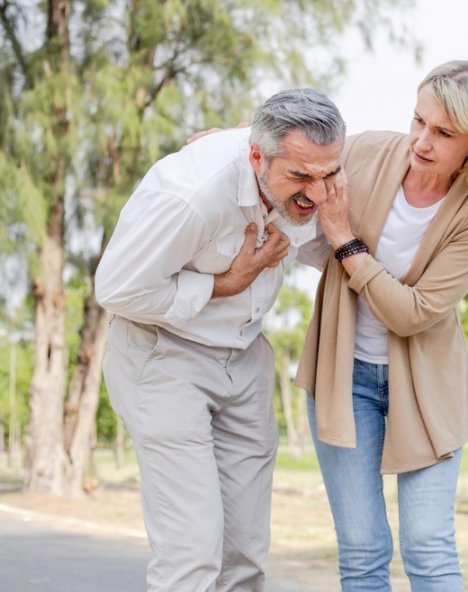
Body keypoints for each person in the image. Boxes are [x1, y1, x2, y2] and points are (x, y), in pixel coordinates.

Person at [95, 88, 346, 592]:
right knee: (191, 554)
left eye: (328, 175)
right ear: (256, 157)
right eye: (300, 177)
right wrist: (222, 284)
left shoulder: (313, 160)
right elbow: (117, 289)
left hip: (245, 358)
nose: (317, 195)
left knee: (244, 555)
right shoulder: (190, 195)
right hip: (164, 357)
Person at [297, 59, 468, 591]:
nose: (421, 140)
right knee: (363, 550)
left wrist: (345, 242)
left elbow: (412, 313)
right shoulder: (369, 150)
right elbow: (296, 147)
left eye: (442, 132)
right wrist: (228, 139)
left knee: (428, 547)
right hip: (343, 378)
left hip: (427, 390)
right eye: (419, 120)